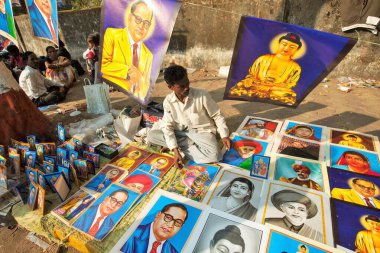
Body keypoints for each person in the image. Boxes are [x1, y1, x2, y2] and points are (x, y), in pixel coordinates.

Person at [148, 65, 231, 168]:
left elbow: (217, 115)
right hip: (180, 132)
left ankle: (182, 146)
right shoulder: (168, 101)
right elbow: (168, 126)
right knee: (151, 136)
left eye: (187, 83)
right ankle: (182, 146)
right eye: (181, 86)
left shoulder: (202, 95)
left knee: (215, 155)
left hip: (201, 131)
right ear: (170, 87)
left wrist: (224, 135)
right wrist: (175, 150)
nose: (186, 87)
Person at [229, 32, 303, 105]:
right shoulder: (263, 58)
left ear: (297, 50)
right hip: (257, 84)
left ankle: (259, 94)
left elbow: (291, 83)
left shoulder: (295, 67)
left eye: (292, 47)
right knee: (240, 84)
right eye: (284, 44)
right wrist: (249, 79)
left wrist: (271, 87)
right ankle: (268, 95)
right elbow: (252, 74)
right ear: (279, 44)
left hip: (275, 88)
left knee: (289, 93)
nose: (286, 48)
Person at [102, 0, 154, 101]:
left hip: (135, 100)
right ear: (130, 18)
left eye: (146, 23)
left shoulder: (148, 55)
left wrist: (141, 82)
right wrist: (128, 71)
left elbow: (146, 86)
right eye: (138, 19)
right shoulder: (112, 35)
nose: (141, 26)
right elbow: (103, 65)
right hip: (117, 97)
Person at [121, 203, 188, 253]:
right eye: (168, 217)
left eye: (178, 222)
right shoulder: (129, 233)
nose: (170, 225)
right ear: (158, 216)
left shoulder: (172, 251)